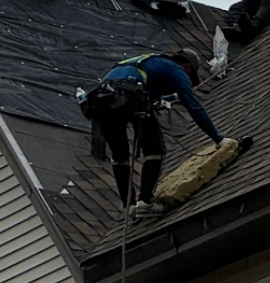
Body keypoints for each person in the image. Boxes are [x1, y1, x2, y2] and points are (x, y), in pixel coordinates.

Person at [82, 49, 233, 219]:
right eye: (189, 77)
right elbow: (194, 106)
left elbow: (144, 92)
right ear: (188, 66)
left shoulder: (146, 63)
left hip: (101, 101)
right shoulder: (175, 69)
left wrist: (168, 98)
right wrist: (219, 139)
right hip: (130, 96)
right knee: (154, 150)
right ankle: (145, 203)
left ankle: (129, 206)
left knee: (120, 156)